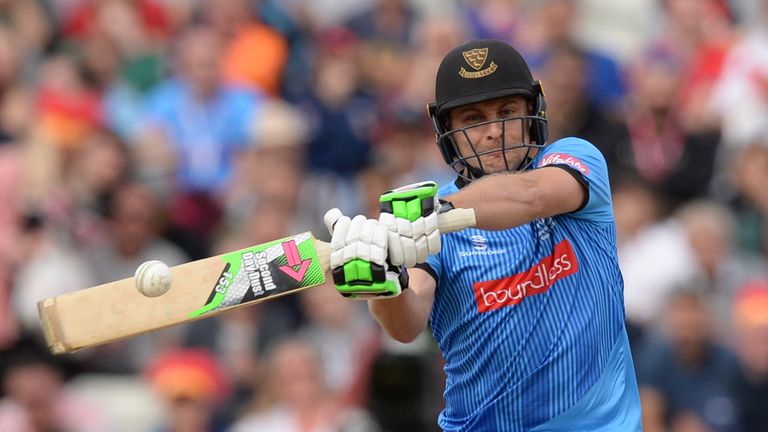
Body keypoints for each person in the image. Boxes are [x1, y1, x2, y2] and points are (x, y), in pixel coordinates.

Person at [323, 39, 642, 431]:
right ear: (448, 131)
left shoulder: (575, 158)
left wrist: (441, 214)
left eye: (507, 112)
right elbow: (405, 324)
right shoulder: (428, 215)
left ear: (532, 112)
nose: (493, 132)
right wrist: (380, 283)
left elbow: (530, 195)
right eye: (473, 119)